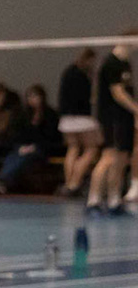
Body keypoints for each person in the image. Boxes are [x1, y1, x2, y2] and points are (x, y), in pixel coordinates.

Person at [87, 34, 135, 218]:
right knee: (108, 157)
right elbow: (118, 93)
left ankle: (114, 201)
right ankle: (93, 201)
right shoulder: (111, 63)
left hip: (125, 118)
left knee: (121, 159)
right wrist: (137, 109)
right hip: (111, 118)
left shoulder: (125, 64)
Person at [0, 83, 61, 194]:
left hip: (42, 147)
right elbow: (17, 133)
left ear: (42, 97)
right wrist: (23, 146)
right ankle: (2, 179)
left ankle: (2, 179)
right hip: (23, 145)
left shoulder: (50, 115)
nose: (32, 99)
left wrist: (34, 146)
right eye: (30, 96)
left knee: (24, 157)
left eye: (35, 96)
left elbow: (52, 136)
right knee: (14, 155)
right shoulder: (23, 114)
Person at [57, 48, 100, 197]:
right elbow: (91, 96)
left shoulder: (68, 72)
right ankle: (75, 182)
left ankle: (68, 183)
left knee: (73, 148)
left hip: (66, 118)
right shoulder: (84, 75)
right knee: (91, 149)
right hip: (82, 117)